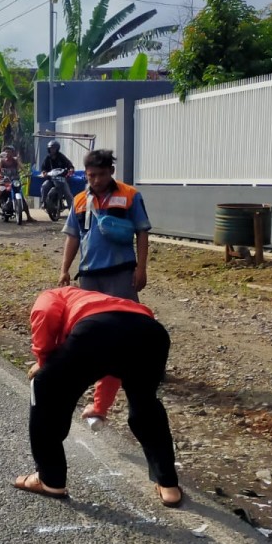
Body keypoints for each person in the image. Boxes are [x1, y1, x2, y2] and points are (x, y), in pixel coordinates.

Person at [13, 286, 182, 508]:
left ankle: (49, 479)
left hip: (94, 331)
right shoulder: (101, 302)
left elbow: (46, 313)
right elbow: (114, 364)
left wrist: (44, 361)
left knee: (44, 389)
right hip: (151, 334)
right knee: (145, 404)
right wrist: (99, 406)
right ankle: (168, 485)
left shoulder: (53, 294)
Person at [59, 149, 153, 424]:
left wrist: (142, 267)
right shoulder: (79, 200)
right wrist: (65, 269)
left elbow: (142, 232)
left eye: (100, 174)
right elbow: (73, 237)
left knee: (131, 323)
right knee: (90, 327)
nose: (96, 180)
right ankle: (96, 369)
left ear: (110, 172)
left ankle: (140, 368)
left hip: (121, 272)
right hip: (89, 274)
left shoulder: (130, 196)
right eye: (90, 175)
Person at [0, 146, 34, 223]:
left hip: (14, 180)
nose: (7, 153)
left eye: (9, 151)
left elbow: (21, 166)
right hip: (3, 181)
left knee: (21, 196)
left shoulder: (15, 160)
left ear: (13, 153)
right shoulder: (2, 160)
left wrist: (26, 173)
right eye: (6, 151)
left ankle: (29, 217)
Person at [40, 141, 74, 207]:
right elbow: (43, 168)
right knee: (44, 186)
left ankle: (72, 211)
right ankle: (44, 202)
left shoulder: (61, 157)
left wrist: (71, 169)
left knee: (68, 194)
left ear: (57, 149)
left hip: (61, 179)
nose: (52, 150)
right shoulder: (47, 158)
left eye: (54, 148)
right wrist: (44, 172)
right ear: (48, 149)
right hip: (51, 179)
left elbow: (69, 164)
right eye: (51, 148)